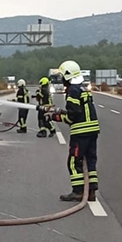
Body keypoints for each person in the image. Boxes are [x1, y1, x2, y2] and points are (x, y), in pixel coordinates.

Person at [47, 60, 100, 202]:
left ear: (67, 76)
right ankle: (91, 191)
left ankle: (78, 191)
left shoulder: (72, 91)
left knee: (74, 161)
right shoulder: (83, 89)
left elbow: (72, 116)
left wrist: (55, 116)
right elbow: (79, 110)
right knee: (90, 160)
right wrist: (61, 112)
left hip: (81, 132)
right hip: (92, 130)